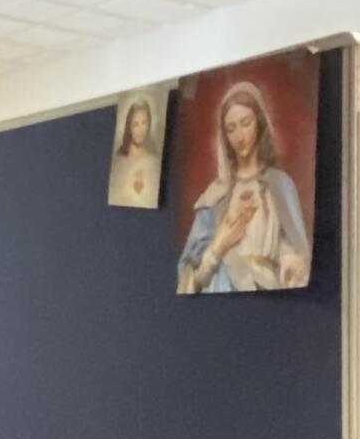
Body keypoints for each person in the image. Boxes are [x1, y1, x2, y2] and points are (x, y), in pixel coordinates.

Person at [177, 82, 309, 293]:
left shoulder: (280, 186)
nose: (239, 136)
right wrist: (219, 246)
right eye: (231, 129)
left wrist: (291, 263)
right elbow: (188, 277)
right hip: (222, 292)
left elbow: (290, 250)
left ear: (259, 122)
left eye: (245, 123)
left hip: (267, 296)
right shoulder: (215, 196)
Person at [108, 95, 161, 207]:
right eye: (135, 124)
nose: (140, 130)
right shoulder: (119, 160)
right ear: (129, 127)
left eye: (144, 123)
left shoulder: (154, 160)